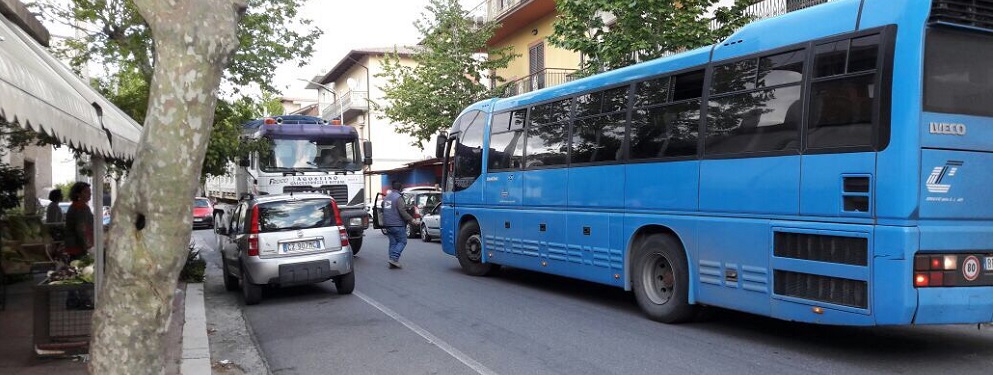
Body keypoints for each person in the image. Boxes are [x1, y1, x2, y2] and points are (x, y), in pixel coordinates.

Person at [63, 182, 94, 309]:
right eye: (86, 192)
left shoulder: (76, 207)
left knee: (75, 272)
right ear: (78, 194)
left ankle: (72, 299)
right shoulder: (80, 208)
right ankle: (84, 300)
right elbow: (81, 229)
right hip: (78, 246)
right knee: (82, 272)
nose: (89, 194)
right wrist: (87, 245)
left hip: (74, 245)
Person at [382, 181, 416, 269]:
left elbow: (383, 210)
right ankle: (394, 258)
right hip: (397, 224)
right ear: (400, 188)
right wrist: (411, 219)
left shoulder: (386, 197)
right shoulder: (398, 198)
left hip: (387, 224)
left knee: (393, 243)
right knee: (402, 241)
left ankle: (392, 261)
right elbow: (402, 211)